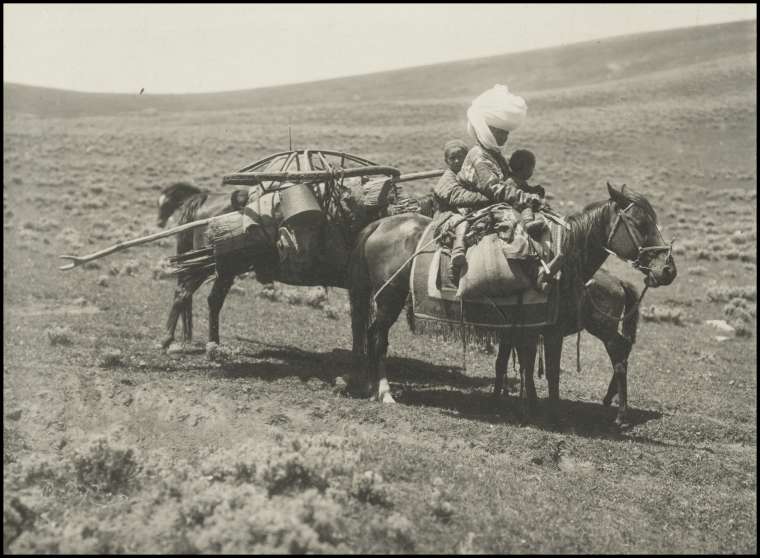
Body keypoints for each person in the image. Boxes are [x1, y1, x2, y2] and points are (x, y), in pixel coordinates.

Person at [449, 84, 543, 282]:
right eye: (500, 131)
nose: (505, 136)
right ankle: (530, 270)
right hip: (474, 207)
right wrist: (525, 198)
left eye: (506, 132)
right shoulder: (478, 156)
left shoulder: (494, 155)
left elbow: (507, 182)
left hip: (491, 203)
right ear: (486, 129)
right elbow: (494, 187)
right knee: (513, 223)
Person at [507, 149, 547, 238]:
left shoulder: (519, 181)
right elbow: (517, 198)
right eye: (532, 167)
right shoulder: (512, 182)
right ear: (524, 167)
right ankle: (530, 224)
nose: (533, 170)